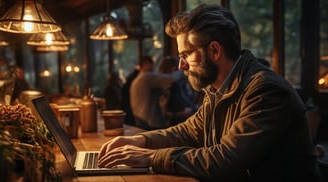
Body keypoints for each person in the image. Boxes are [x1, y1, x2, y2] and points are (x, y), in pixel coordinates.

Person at [97, 4, 321, 181]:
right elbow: (188, 132)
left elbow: (226, 160)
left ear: (214, 50)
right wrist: (140, 140)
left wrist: (152, 157)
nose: (181, 66)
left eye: (186, 55)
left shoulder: (265, 91)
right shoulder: (217, 89)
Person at [129, 56, 183, 130]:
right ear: (146, 64)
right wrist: (183, 69)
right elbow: (171, 78)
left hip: (140, 118)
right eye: (151, 64)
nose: (153, 67)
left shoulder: (137, 79)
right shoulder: (146, 77)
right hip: (149, 120)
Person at [158, 55, 197, 125]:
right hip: (174, 125)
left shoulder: (180, 83)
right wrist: (181, 114)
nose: (180, 68)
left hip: (186, 121)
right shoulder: (168, 87)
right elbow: (164, 112)